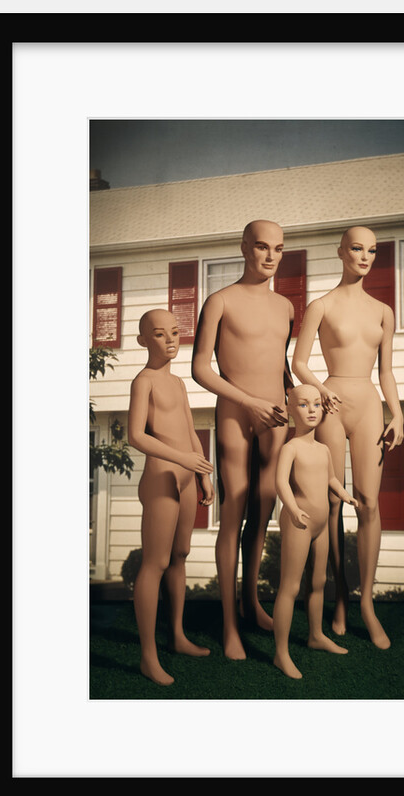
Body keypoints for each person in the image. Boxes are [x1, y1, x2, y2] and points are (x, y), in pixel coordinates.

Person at [292, 226, 404, 650]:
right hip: (332, 405)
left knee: (369, 502)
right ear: (341, 252)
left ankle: (367, 604)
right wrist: (321, 390)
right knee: (333, 502)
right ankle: (339, 595)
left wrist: (398, 413)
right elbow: (299, 362)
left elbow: (386, 371)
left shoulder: (383, 311)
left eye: (372, 250)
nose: (365, 256)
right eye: (357, 248)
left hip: (370, 405)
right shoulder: (320, 306)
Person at [192, 220, 295, 660]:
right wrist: (249, 402)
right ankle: (229, 624)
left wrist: (294, 400)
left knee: (262, 515)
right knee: (233, 513)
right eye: (261, 247)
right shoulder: (220, 301)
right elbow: (200, 368)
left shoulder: (286, 306)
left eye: (278, 249)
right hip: (236, 413)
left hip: (276, 418)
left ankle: (251, 604)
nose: (270, 256)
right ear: (244, 248)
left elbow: (281, 365)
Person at [127, 309, 215, 685]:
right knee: (156, 562)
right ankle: (148, 656)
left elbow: (190, 431)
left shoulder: (178, 383)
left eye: (175, 332)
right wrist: (182, 459)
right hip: (161, 477)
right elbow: (136, 436)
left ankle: (177, 636)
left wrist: (203, 474)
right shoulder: (143, 381)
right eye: (160, 334)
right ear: (143, 340)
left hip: (186, 477)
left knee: (180, 555)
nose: (170, 340)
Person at [272, 385, 357, 680]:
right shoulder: (291, 448)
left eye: (317, 404)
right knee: (290, 586)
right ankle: (281, 653)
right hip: (300, 522)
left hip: (321, 525)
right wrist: (293, 509)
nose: (311, 410)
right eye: (303, 405)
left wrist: (344, 494)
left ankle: (316, 635)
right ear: (291, 409)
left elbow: (331, 478)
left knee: (319, 581)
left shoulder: (323, 449)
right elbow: (280, 482)